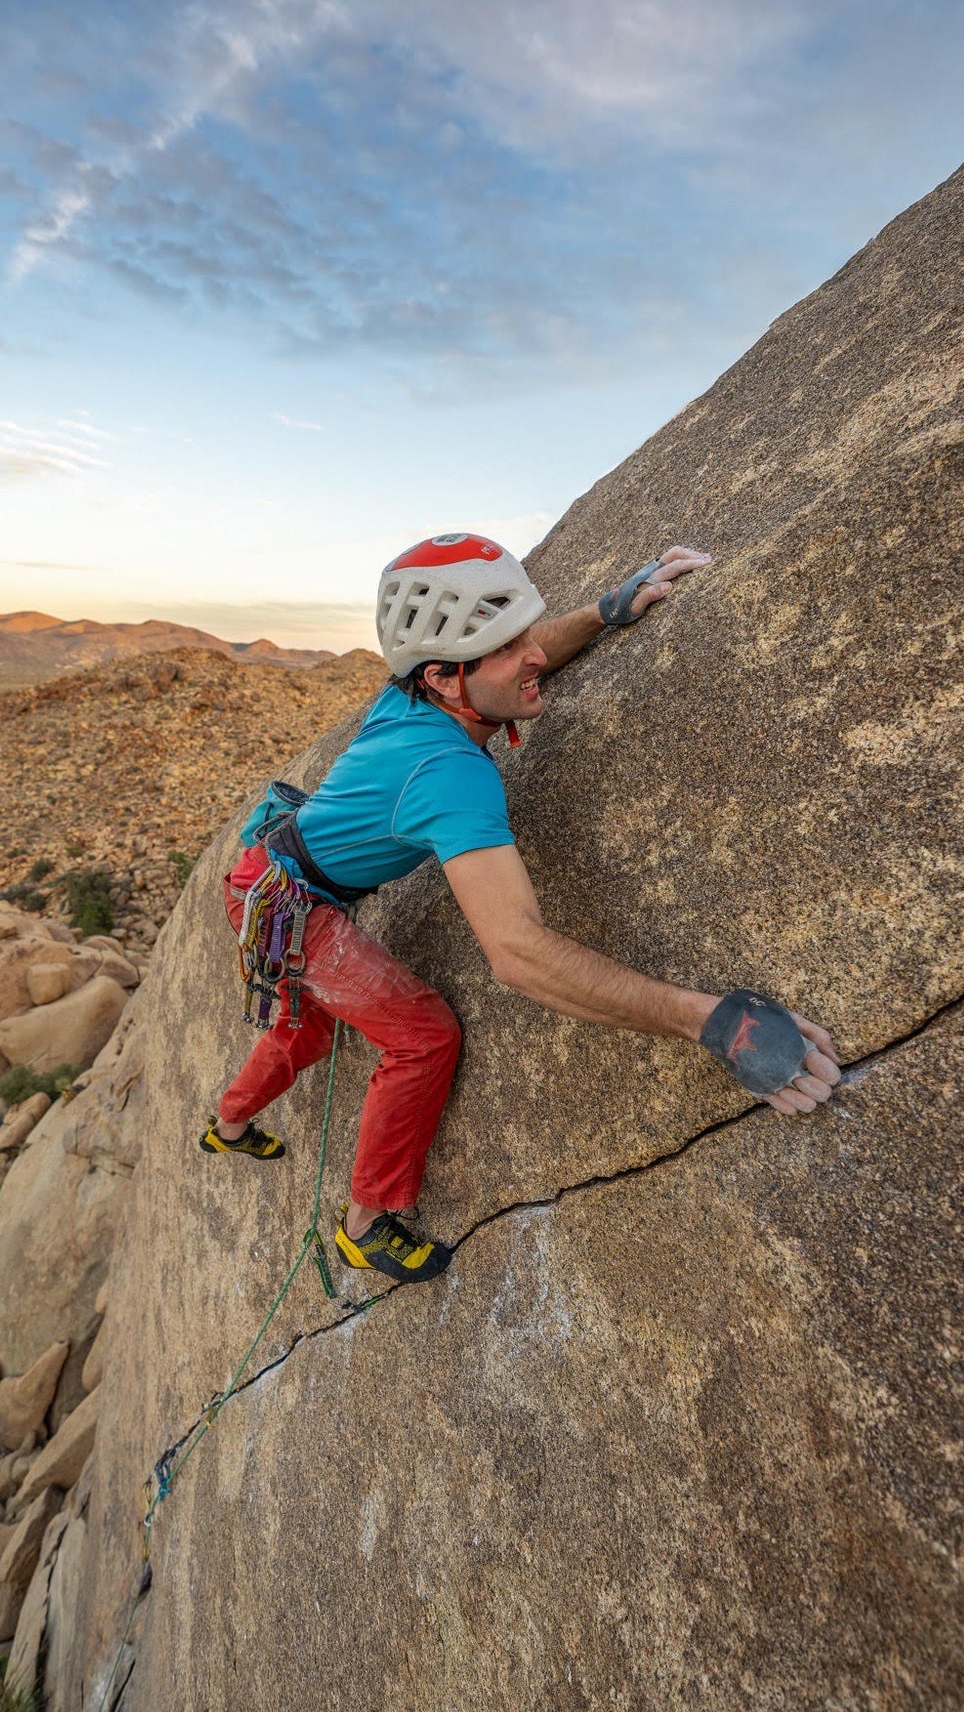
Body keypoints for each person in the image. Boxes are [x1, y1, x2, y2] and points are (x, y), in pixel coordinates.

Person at [200, 533, 840, 1283]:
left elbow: (513, 669)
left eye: (524, 635)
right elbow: (519, 953)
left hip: (269, 879)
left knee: (306, 1027)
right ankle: (365, 1224)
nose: (535, 654)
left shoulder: (412, 693)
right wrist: (710, 1021)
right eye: (507, 647)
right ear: (442, 675)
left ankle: (228, 1126)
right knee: (421, 1035)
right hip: (293, 903)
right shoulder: (449, 773)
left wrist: (604, 612)